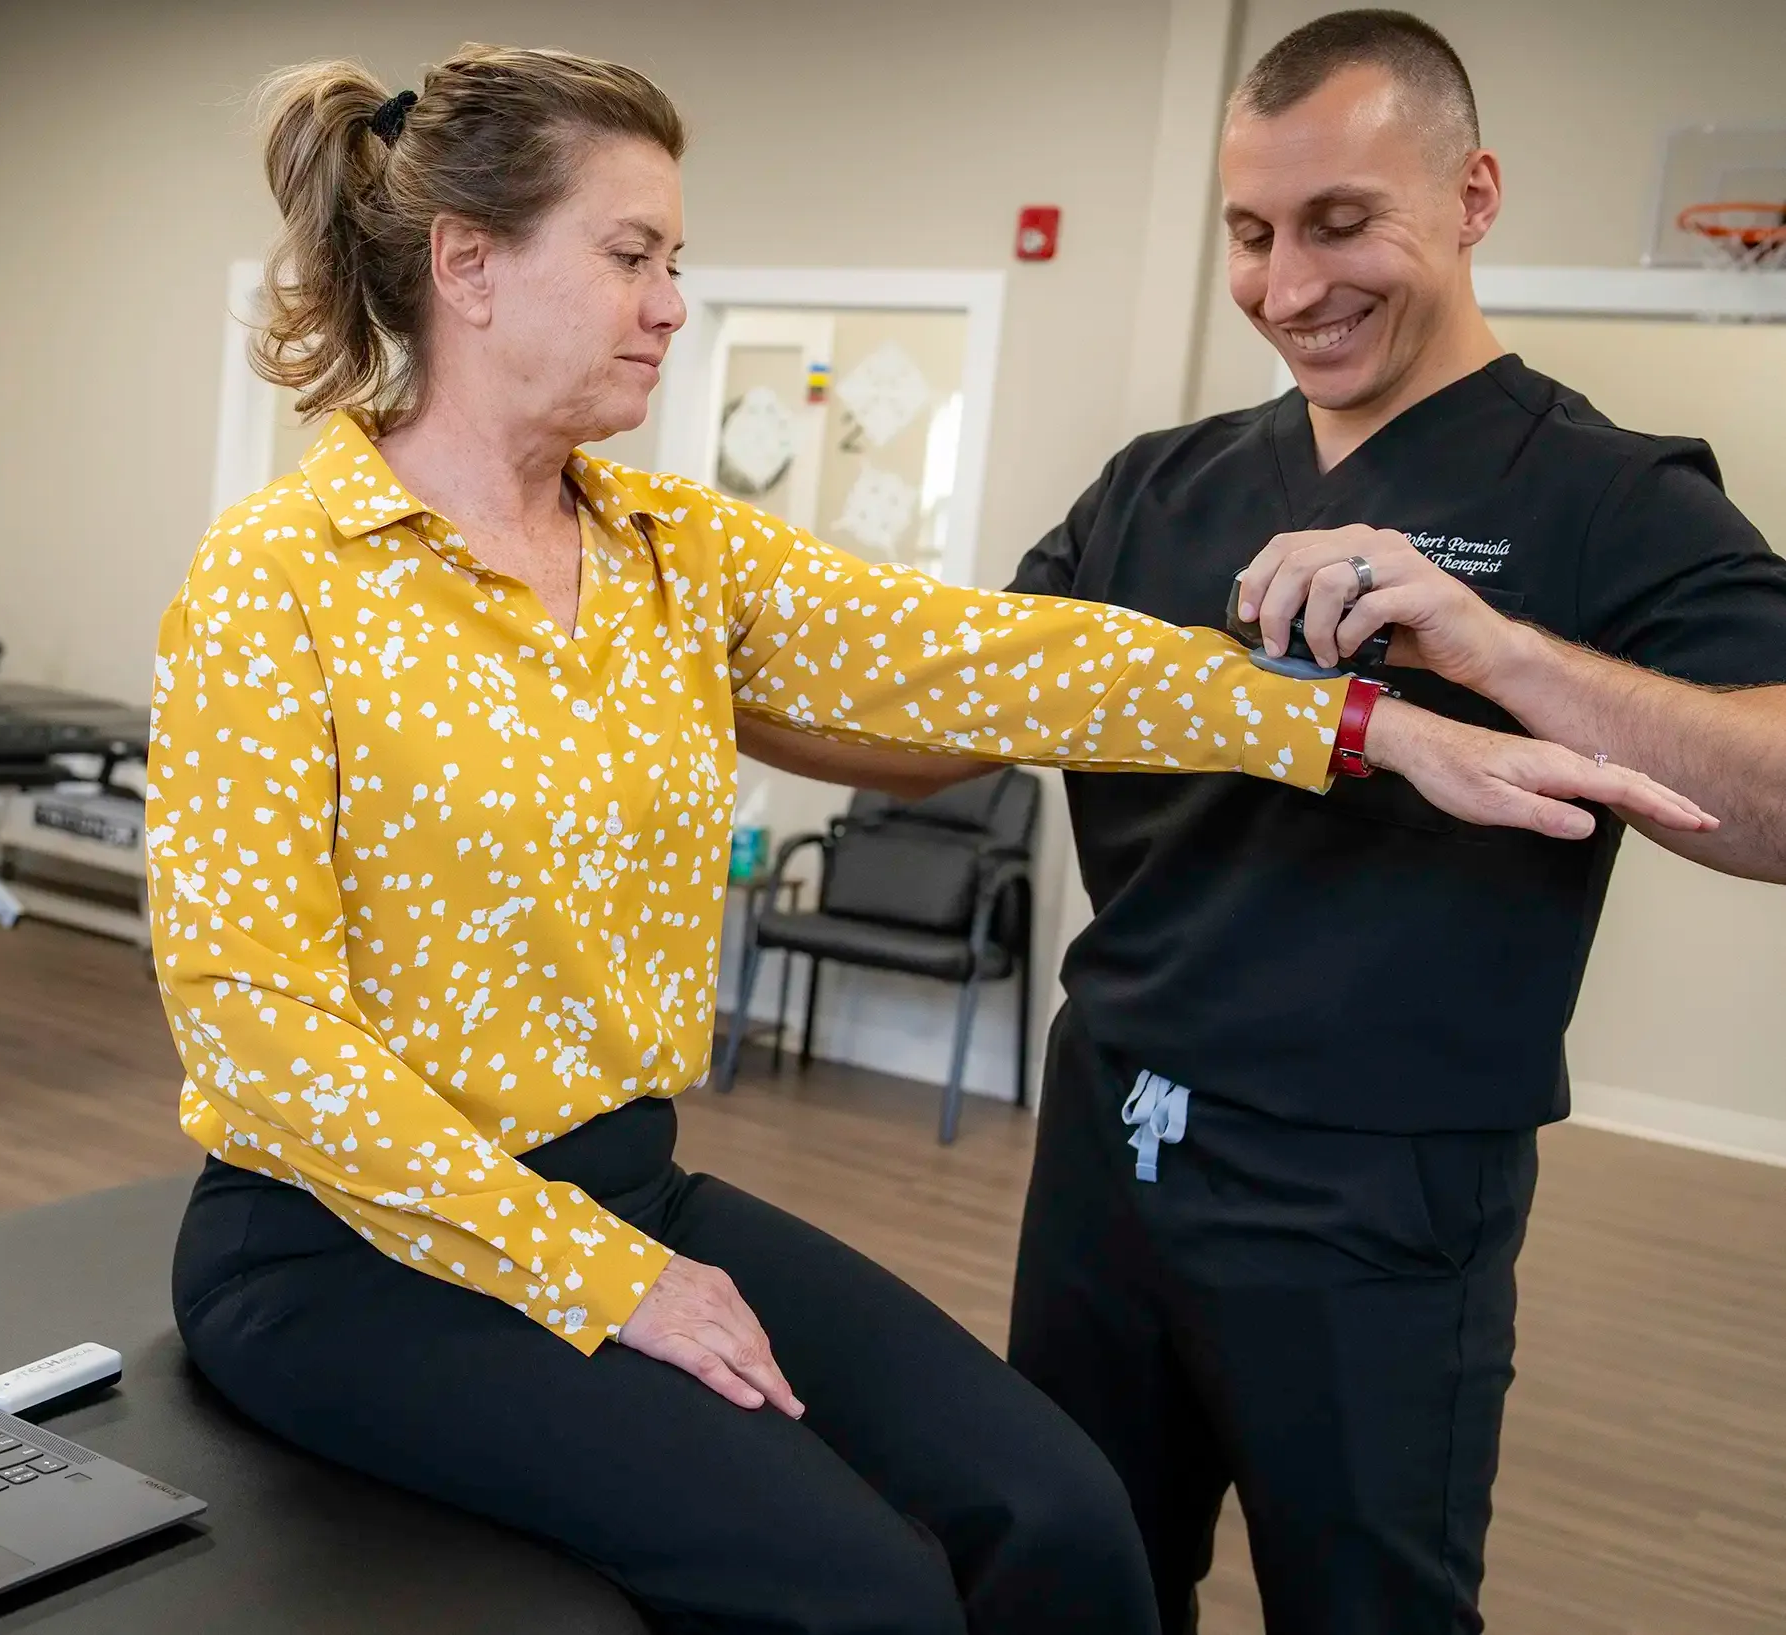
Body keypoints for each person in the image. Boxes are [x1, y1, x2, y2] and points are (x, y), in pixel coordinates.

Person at [144, 44, 1708, 1635]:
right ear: (467, 265)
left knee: (1060, 1508)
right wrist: (614, 1282)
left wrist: (1361, 724)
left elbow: (1009, 656)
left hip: (622, 1180)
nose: (672, 301)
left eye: (673, 260)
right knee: (866, 1586)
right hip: (341, 1244)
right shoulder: (282, 576)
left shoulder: (669, 551)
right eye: (632, 256)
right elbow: (254, 1025)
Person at [939, 12, 1786, 1634]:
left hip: (1372, 1195)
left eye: (1343, 222)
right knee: (1072, 1574)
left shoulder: (1610, 493)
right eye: (1251, 234)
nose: (1286, 283)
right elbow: (945, 709)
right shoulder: (1158, 484)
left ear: (1472, 197)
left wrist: (1505, 653)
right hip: (1111, 1141)